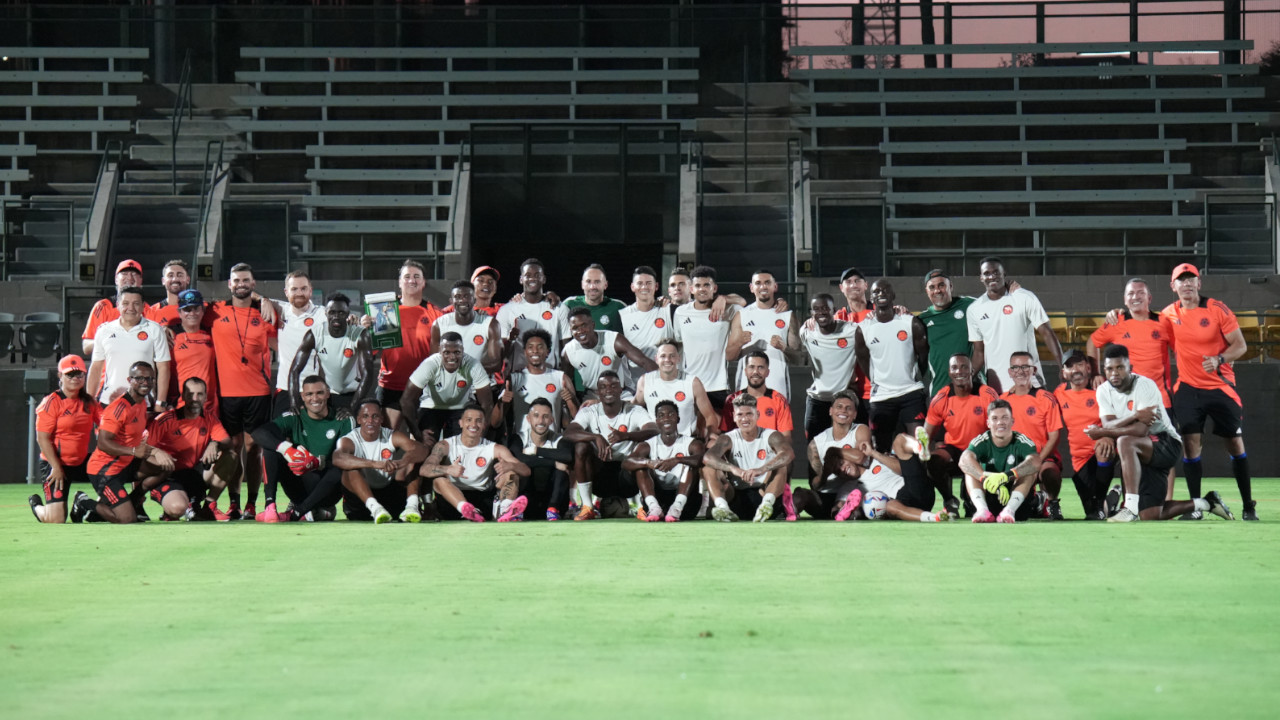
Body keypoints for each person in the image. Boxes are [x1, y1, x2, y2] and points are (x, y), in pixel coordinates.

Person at [1088, 344, 1233, 523]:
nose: (1114, 373)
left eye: (1120, 367)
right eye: (1109, 368)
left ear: (1130, 368)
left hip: (1167, 443)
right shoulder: (1103, 391)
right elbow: (1108, 425)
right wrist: (1125, 420)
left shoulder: (1145, 386)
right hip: (1141, 450)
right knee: (1151, 515)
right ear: (1104, 370)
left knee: (1125, 441)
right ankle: (1206, 503)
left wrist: (1105, 430)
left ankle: (1130, 508)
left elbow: (1141, 430)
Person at [1159, 263, 1255, 521]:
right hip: (1188, 388)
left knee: (1235, 444)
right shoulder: (1168, 314)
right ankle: (1196, 508)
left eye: (1192, 280)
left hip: (1221, 387)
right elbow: (1144, 327)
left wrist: (1221, 359)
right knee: (1191, 446)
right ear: (1173, 286)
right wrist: (1117, 314)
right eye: (1182, 280)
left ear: (1199, 284)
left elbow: (1241, 345)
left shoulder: (1216, 309)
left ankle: (1248, 506)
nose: (1187, 284)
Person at [207, 263, 278, 520]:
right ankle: (234, 502)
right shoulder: (214, 311)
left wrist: (265, 301)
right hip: (227, 394)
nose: (241, 284)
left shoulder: (267, 314)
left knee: (254, 448)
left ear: (253, 283)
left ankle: (251, 503)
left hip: (258, 391)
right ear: (229, 284)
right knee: (232, 448)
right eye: (236, 280)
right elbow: (186, 313)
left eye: (245, 280)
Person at [71, 361, 176, 524]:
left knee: (165, 467)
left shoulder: (141, 403)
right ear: (130, 380)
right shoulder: (118, 408)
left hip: (126, 464)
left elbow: (133, 440)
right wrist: (134, 452)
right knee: (126, 519)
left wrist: (156, 451)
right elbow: (103, 444)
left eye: (149, 379)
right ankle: (83, 501)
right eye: (139, 378)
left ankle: (132, 502)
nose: (145, 383)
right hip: (104, 471)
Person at [250, 375, 353, 522]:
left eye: (319, 393)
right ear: (302, 397)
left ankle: (298, 512)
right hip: (300, 485)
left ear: (328, 394)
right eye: (309, 394)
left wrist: (318, 462)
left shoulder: (343, 419)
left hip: (328, 488)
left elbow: (348, 457)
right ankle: (270, 506)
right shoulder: (295, 416)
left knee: (343, 469)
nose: (315, 399)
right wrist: (287, 450)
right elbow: (259, 433)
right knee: (271, 448)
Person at [562, 371, 658, 521]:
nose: (609, 390)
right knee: (581, 446)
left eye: (614, 386)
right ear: (598, 392)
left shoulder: (634, 411)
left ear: (621, 390)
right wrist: (595, 436)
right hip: (600, 477)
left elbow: (654, 430)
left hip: (627, 477)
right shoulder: (590, 411)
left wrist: (626, 435)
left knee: (643, 448)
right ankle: (587, 506)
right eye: (604, 386)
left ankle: (643, 506)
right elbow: (569, 433)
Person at [141, 378, 235, 521]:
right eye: (190, 394)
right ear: (183, 396)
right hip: (166, 476)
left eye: (199, 394)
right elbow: (141, 448)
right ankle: (178, 507)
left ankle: (208, 506)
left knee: (230, 456)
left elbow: (227, 442)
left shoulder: (209, 418)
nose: (194, 399)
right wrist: (157, 453)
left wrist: (215, 444)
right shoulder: (166, 420)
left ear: (205, 396)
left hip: (193, 475)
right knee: (177, 509)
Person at [419, 404, 531, 522]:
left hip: (482, 499)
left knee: (512, 473)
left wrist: (510, 466)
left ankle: (505, 510)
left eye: (478, 421)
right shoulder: (445, 445)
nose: (473, 424)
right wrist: (448, 469)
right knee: (438, 480)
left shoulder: (494, 448)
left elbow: (526, 470)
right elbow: (424, 469)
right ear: (461, 423)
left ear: (484, 425)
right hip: (452, 501)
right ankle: (466, 509)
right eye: (469, 420)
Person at [855, 279, 929, 452]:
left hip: (910, 392)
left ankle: (920, 454)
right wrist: (875, 380)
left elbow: (924, 356)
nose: (881, 294)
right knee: (881, 449)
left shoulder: (910, 323)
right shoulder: (863, 329)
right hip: (881, 397)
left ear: (893, 295)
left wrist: (914, 376)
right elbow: (863, 360)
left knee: (918, 446)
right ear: (871, 298)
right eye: (876, 292)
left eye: (885, 290)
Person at [966, 257, 1061, 393]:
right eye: (987, 273)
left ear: (1004, 273)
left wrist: (1061, 366)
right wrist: (966, 378)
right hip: (997, 386)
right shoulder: (974, 309)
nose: (992, 276)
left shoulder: (1024, 298)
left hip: (1030, 383)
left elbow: (1047, 333)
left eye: (996, 272)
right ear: (981, 277)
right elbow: (979, 353)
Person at [921, 353, 999, 517]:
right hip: (954, 450)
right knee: (934, 462)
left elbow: (999, 431)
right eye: (955, 367)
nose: (959, 371)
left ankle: (971, 496)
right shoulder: (941, 398)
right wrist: (925, 453)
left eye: (964, 367)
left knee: (984, 508)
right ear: (949, 372)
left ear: (972, 370)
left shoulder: (987, 394)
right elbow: (926, 435)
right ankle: (949, 500)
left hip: (981, 451)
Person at [700, 393, 795, 522]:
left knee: (781, 467)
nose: (745, 419)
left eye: (749, 414)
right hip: (737, 496)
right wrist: (733, 469)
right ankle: (723, 508)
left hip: (764, 492)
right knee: (708, 468)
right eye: (740, 415)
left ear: (758, 415)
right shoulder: (728, 438)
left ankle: (766, 507)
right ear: (734, 417)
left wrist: (761, 470)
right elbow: (708, 457)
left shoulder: (771, 435)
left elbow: (788, 454)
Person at [29, 356, 100, 523]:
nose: (75, 378)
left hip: (81, 462)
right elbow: (43, 439)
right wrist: (56, 467)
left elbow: (106, 426)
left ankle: (81, 502)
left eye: (79, 374)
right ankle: (36, 505)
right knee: (56, 519)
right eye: (70, 374)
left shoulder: (89, 402)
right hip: (56, 465)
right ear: (60, 375)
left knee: (110, 475)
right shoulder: (51, 403)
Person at [332, 400, 430, 523]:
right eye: (365, 416)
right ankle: (376, 508)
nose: (370, 421)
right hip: (361, 502)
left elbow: (422, 450)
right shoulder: (349, 439)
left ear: (382, 419)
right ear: (359, 420)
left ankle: (412, 506)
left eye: (375, 416)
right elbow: (337, 458)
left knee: (413, 458)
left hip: (388, 494)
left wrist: (401, 462)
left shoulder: (391, 435)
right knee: (350, 468)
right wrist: (374, 464)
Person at [376, 259, 445, 431]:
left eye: (416, 276)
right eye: (407, 277)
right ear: (400, 282)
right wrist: (366, 328)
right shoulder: (386, 311)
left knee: (422, 443)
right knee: (385, 441)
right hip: (391, 385)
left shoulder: (435, 313)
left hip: (423, 387)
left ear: (424, 282)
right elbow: (372, 350)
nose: (411, 280)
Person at [288, 292, 375, 419]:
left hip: (355, 394)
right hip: (328, 395)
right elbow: (294, 370)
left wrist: (352, 407)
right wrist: (294, 401)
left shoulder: (359, 335)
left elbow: (368, 374)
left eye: (341, 313)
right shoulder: (314, 334)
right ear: (326, 313)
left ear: (347, 314)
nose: (336, 317)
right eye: (332, 312)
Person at [1000, 351, 1065, 520]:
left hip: (1042, 458)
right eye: (1015, 367)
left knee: (1050, 472)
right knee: (1020, 513)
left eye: (1025, 367)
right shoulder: (1002, 401)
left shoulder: (1045, 398)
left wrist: (1038, 460)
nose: (1020, 371)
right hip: (1014, 462)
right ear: (1010, 372)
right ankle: (1035, 501)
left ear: (1034, 370)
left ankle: (1052, 502)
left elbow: (1054, 436)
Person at [87, 286, 170, 413]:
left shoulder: (155, 329)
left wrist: (160, 401)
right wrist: (90, 399)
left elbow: (163, 367)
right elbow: (96, 367)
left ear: (143, 306)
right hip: (109, 401)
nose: (130, 308)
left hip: (143, 402)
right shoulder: (104, 330)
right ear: (118, 305)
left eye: (136, 304)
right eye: (125, 303)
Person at [1054, 350, 1117, 520]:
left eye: (1079, 364)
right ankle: (1109, 501)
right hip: (1079, 459)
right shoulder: (1059, 393)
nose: (1075, 369)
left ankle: (1101, 502)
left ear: (1088, 368)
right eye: (1070, 366)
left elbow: (1120, 417)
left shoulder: (1102, 388)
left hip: (1101, 450)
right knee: (1091, 513)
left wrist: (1107, 435)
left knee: (1096, 509)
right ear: (1064, 372)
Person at [1088, 278, 1172, 404]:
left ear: (1149, 298)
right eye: (1130, 293)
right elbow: (1092, 342)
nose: (1135, 297)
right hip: (1127, 400)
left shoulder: (1164, 322)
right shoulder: (1116, 322)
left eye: (1140, 293)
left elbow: (1182, 348)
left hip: (1159, 398)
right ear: (1125, 300)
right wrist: (1095, 373)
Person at [791, 390, 872, 521]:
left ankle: (846, 510)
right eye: (839, 406)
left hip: (854, 491)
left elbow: (861, 457)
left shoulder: (860, 430)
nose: (843, 411)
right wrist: (825, 474)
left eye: (848, 408)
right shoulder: (816, 443)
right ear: (830, 411)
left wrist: (833, 452)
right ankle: (791, 511)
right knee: (800, 494)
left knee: (859, 506)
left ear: (855, 414)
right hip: (825, 496)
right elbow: (815, 485)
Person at [401, 331, 494, 443]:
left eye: (457, 352)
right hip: (432, 406)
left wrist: (479, 436)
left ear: (463, 351)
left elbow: (487, 404)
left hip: (460, 407)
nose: (452, 357)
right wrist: (417, 434)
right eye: (447, 352)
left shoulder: (473, 365)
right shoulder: (430, 364)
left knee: (460, 446)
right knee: (426, 445)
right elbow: (406, 400)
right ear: (440, 351)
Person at [959, 399, 1042, 523]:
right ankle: (982, 510)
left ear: (1012, 421)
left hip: (1014, 496)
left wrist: (1006, 476)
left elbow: (1036, 462)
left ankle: (1009, 510)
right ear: (988, 423)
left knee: (1030, 471)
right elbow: (963, 461)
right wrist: (986, 478)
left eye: (1005, 418)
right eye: (995, 418)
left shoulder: (1022, 441)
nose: (1000, 422)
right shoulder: (982, 440)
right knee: (969, 470)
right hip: (988, 494)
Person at [622, 400, 705, 522]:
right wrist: (648, 463)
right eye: (661, 416)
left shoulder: (692, 443)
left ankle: (677, 507)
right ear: (657, 421)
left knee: (690, 464)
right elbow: (626, 463)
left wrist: (677, 460)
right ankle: (653, 507)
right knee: (640, 465)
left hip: (686, 503)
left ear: (678, 418)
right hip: (659, 498)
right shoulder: (648, 445)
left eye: (671, 414)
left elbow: (701, 459)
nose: (666, 418)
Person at [728, 269, 800, 398]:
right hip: (747, 388)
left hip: (778, 387)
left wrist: (783, 348)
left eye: (767, 282)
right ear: (751, 287)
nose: (763, 287)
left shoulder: (788, 316)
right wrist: (739, 343)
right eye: (758, 283)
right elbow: (729, 356)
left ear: (775, 286)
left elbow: (799, 358)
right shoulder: (742, 315)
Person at [673, 266, 735, 412]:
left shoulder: (727, 310)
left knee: (718, 433)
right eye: (698, 285)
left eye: (707, 285)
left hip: (718, 386)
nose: (702, 289)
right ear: (691, 289)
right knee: (693, 432)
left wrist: (723, 298)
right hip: (690, 384)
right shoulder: (681, 312)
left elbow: (743, 301)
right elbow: (678, 342)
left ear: (714, 288)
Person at [851, 435, 953, 522]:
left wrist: (873, 453)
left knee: (899, 440)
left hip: (914, 485)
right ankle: (934, 517)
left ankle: (919, 448)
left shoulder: (877, 459)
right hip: (902, 502)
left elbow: (901, 468)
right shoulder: (850, 485)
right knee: (891, 506)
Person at [798, 293, 859, 439]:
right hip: (817, 400)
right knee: (814, 450)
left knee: (844, 449)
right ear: (811, 313)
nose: (821, 312)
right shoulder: (807, 332)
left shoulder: (852, 330)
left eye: (825, 308)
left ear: (834, 310)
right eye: (816, 309)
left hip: (842, 400)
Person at [496, 328, 579, 435]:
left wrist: (570, 400)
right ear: (525, 352)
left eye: (540, 347)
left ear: (548, 352)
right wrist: (501, 402)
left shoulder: (561, 378)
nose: (535, 350)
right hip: (522, 445)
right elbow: (495, 423)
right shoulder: (514, 379)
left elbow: (579, 418)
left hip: (552, 443)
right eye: (530, 347)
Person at [561, 307, 656, 399]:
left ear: (593, 325)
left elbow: (644, 361)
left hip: (620, 394)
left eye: (584, 325)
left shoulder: (614, 339)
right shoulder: (568, 351)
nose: (580, 331)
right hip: (593, 395)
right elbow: (566, 382)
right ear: (571, 331)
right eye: (575, 328)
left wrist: (662, 383)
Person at [632, 340, 718, 439]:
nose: (667, 360)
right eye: (663, 356)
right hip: (655, 441)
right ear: (656, 359)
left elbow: (710, 416)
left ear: (678, 359)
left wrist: (710, 433)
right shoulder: (645, 381)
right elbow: (633, 408)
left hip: (687, 441)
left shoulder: (692, 382)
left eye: (672, 356)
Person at [506, 398, 574, 521]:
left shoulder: (559, 439)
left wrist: (536, 451)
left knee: (562, 469)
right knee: (520, 468)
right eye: (536, 416)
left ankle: (553, 510)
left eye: (545, 416)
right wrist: (553, 462)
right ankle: (516, 511)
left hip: (553, 500)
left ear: (551, 420)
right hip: (527, 500)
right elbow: (518, 458)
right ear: (529, 419)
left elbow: (567, 456)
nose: (541, 421)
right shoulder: (519, 438)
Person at [272, 270, 327, 416]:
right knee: (279, 435)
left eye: (303, 288)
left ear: (310, 290)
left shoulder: (323, 314)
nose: (299, 293)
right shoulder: (279, 311)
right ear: (286, 292)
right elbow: (252, 296)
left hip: (313, 390)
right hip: (285, 388)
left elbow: (347, 318)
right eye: (294, 289)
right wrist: (264, 300)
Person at [496, 258, 567, 371]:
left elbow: (566, 349)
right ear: (521, 279)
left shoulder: (559, 308)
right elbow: (501, 354)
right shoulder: (507, 310)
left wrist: (564, 378)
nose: (532, 278)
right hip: (519, 378)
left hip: (551, 377)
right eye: (528, 275)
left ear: (544, 279)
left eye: (537, 275)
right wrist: (510, 340)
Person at [918, 269, 979, 395]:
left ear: (950, 286)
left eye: (941, 285)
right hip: (940, 390)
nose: (937, 290)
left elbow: (995, 303)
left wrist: (1010, 290)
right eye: (932, 287)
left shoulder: (970, 305)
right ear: (926, 291)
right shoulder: (921, 320)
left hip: (972, 386)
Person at [432, 281, 502, 378]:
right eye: (457, 297)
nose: (462, 300)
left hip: (480, 386)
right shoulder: (439, 324)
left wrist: (464, 369)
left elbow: (496, 364)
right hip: (451, 386)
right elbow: (434, 362)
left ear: (474, 300)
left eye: (467, 296)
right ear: (451, 301)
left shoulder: (490, 324)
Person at [720, 351, 794, 440]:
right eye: (751, 367)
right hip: (740, 452)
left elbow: (786, 438)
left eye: (760, 368)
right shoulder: (732, 400)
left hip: (769, 451)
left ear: (767, 372)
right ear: (745, 371)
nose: (756, 372)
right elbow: (725, 435)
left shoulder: (779, 400)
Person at [619, 265, 674, 382]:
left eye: (649, 283)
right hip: (635, 383)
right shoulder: (622, 315)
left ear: (656, 286)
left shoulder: (667, 310)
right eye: (640, 283)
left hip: (665, 379)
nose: (644, 287)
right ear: (632, 287)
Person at [82, 258, 143, 356]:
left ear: (141, 281)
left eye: (134, 274)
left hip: (137, 369)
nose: (130, 278)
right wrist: (109, 339)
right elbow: (86, 347)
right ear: (116, 279)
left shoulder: (148, 309)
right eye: (124, 274)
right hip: (108, 370)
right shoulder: (102, 307)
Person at [563, 263, 627, 332]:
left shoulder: (618, 307)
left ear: (605, 285)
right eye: (588, 281)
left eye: (597, 282)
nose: (592, 286)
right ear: (582, 285)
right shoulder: (569, 304)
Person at [146, 258, 193, 326]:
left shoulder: (198, 308)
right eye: (170, 275)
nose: (175, 279)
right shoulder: (153, 312)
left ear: (188, 279)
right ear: (163, 281)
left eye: (180, 275)